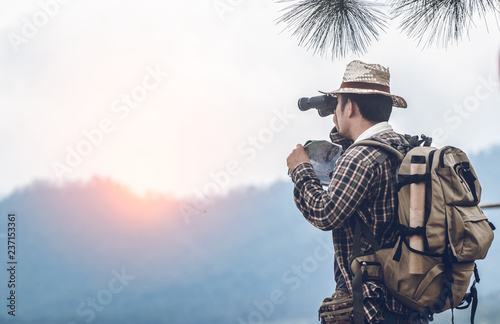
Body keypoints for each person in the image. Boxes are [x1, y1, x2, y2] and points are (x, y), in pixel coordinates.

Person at [287, 60, 424, 323]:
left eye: (339, 104)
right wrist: (339, 118)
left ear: (349, 106)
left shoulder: (360, 157)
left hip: (372, 307)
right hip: (406, 298)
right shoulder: (403, 146)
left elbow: (325, 213)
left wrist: (300, 170)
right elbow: (351, 152)